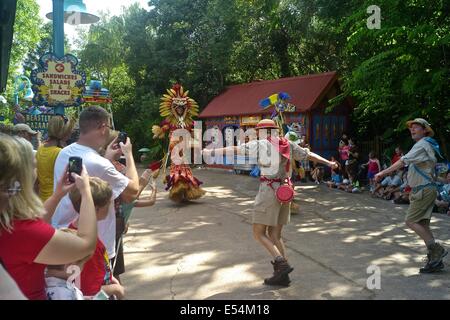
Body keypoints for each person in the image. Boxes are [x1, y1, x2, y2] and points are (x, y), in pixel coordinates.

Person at [203, 119, 338, 286]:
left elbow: (234, 149)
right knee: (275, 235)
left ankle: (281, 264)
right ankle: (283, 275)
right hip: (286, 192)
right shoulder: (287, 143)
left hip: (269, 191)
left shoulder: (260, 144)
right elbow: (308, 154)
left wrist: (211, 151)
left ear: (263, 131)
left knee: (258, 233)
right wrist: (329, 162)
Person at [0, 133, 97, 300]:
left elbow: (36, 229)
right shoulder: (20, 231)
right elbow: (86, 245)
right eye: (34, 166)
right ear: (19, 179)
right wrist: (86, 192)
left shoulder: (10, 223)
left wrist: (57, 196)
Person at [51, 106, 140, 265]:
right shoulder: (98, 163)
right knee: (98, 288)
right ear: (103, 127)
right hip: (94, 243)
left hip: (64, 233)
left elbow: (93, 171)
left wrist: (106, 159)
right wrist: (129, 154)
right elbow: (132, 191)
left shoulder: (65, 152)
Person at [375, 118, 447, 273]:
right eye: (411, 128)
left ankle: (437, 250)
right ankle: (435, 260)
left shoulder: (422, 145)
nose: (412, 130)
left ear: (425, 130)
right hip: (424, 190)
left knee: (410, 221)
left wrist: (382, 172)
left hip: (423, 190)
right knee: (423, 224)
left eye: (416, 127)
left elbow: (402, 162)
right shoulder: (425, 145)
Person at [68, 177, 125, 299]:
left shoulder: (76, 229)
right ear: (95, 208)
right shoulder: (89, 245)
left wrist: (110, 278)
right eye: (108, 203)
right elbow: (90, 290)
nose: (111, 208)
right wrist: (116, 289)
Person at [36, 115, 75, 201]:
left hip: (42, 198)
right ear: (64, 132)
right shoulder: (60, 152)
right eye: (69, 132)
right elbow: (72, 178)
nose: (70, 135)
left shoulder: (41, 148)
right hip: (56, 201)